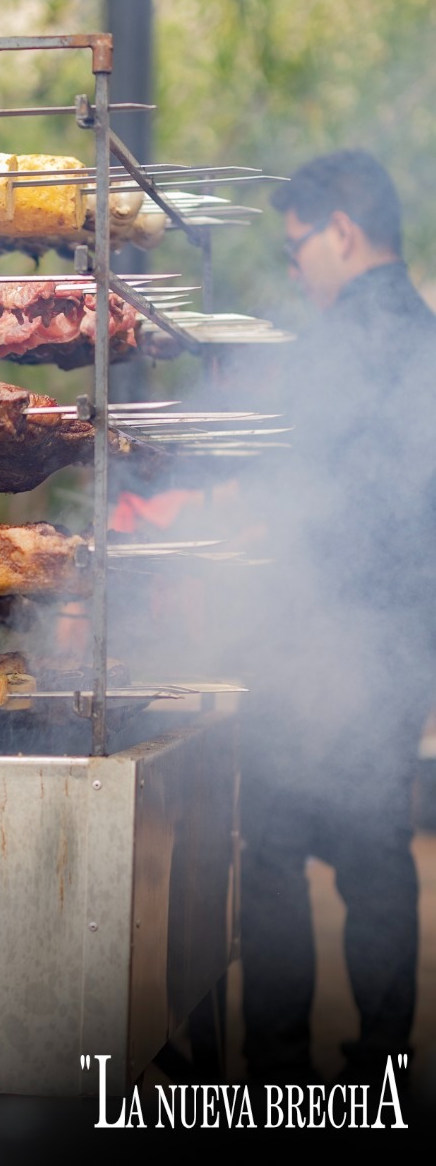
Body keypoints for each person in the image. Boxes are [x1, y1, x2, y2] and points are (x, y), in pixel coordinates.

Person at [236, 150, 436, 1089]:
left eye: (295, 249)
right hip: (398, 649)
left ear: (342, 233)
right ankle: (379, 1072)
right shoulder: (430, 340)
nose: (295, 269)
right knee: (375, 847)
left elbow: (288, 501)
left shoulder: (329, 352)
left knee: (271, 847)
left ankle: (278, 1078)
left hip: (315, 636)